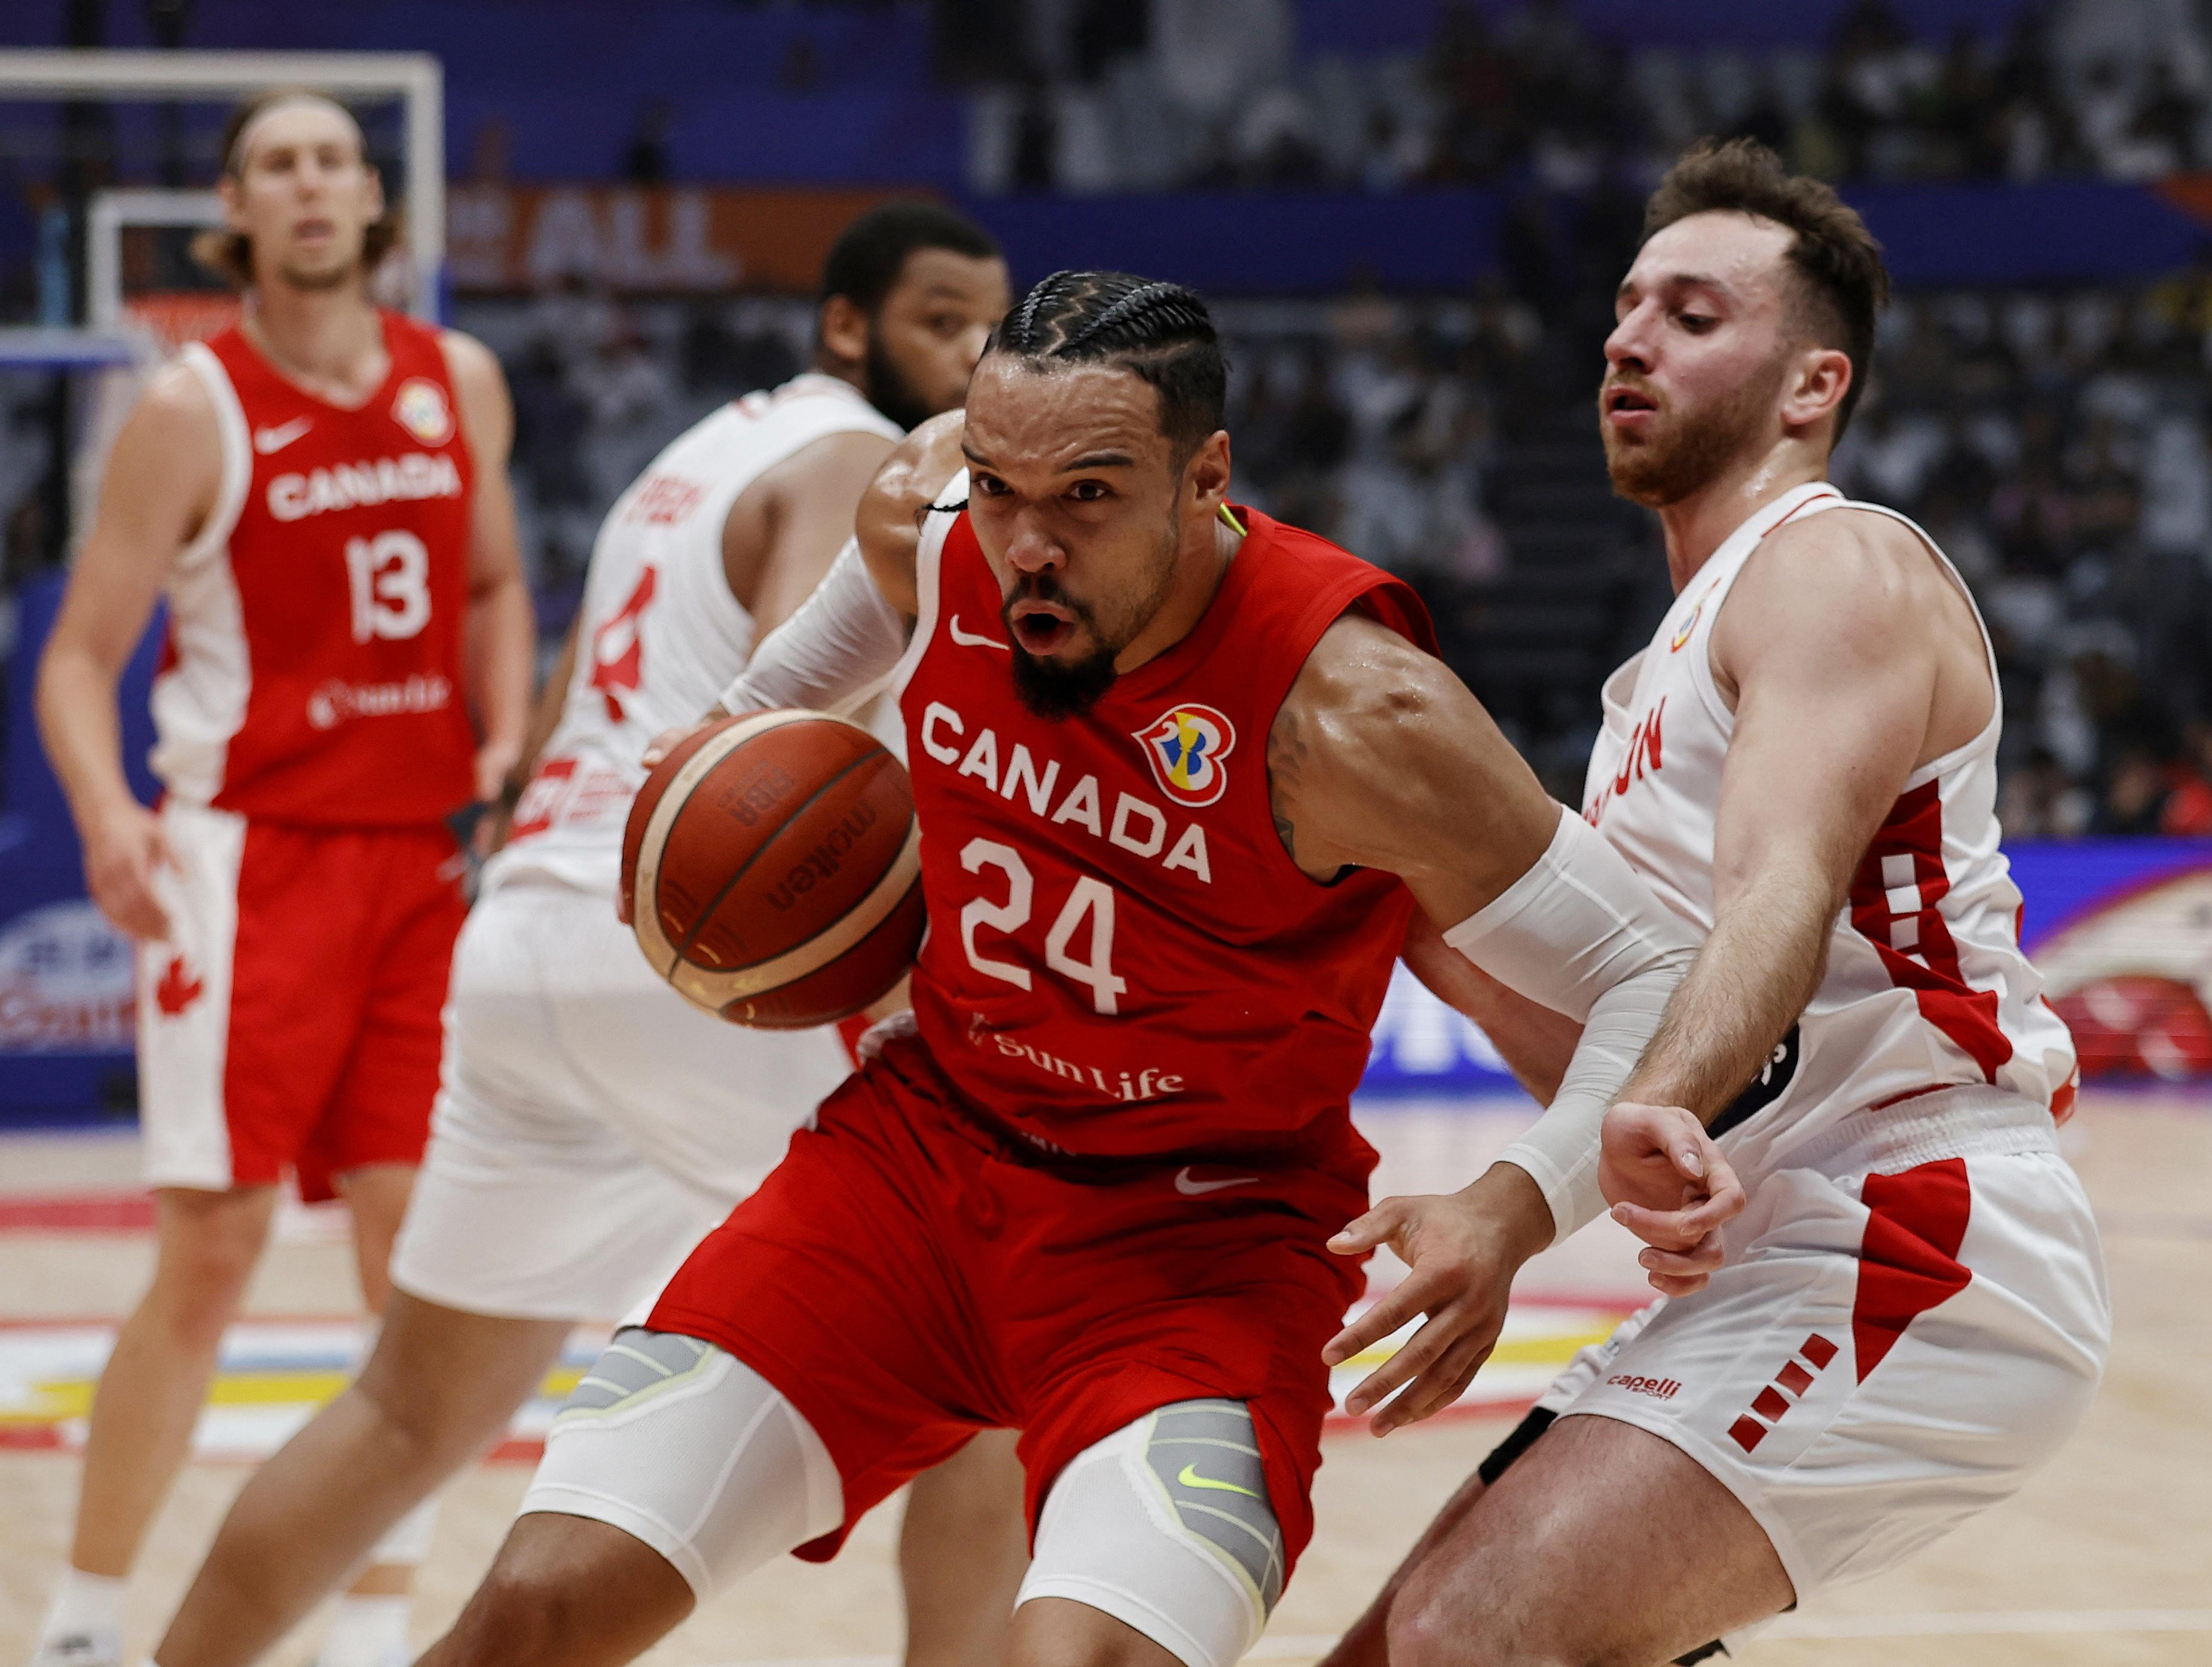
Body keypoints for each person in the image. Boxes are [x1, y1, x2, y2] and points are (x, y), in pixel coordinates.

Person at [399, 269, 1702, 1667]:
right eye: (999, 487)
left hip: (1198, 1251)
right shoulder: (924, 522)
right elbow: (756, 718)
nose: (1027, 543)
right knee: (533, 1606)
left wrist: (1516, 1205)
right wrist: (706, 837)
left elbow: (1664, 973)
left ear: (1206, 478)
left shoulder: (1357, 714)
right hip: (917, 1171)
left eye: (1087, 496)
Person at [145, 202, 1023, 1667]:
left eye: (993, 324)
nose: (975, 353)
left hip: (534, 936)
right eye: (944, 320)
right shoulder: (857, 462)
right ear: (848, 327)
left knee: (406, 1412)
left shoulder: (684, 461)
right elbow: (799, 734)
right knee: (992, 1362)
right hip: (696, 943)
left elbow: (567, 700)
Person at [1318, 138, 2111, 1666]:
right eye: (1626, 309)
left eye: (1692, 315)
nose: (1630, 340)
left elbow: (1784, 892)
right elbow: (1632, 1056)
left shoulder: (1835, 566)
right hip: (1785, 1233)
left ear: (1814, 384)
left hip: (1919, 1221)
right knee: (1398, 1648)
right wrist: (1416, 917)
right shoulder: (1653, 683)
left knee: (1468, 1640)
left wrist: (1647, 1111)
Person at [28, 90, 533, 1667]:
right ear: (234, 212)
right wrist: (107, 813)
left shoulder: (459, 379)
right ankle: (86, 1622)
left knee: (418, 1262)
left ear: (373, 197)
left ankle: (367, 1622)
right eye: (277, 164)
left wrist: (505, 734)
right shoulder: (191, 409)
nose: (310, 183)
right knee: (214, 1251)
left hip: (421, 865)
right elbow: (78, 655)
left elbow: (494, 582)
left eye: (332, 158)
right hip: (251, 862)